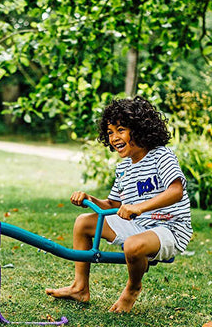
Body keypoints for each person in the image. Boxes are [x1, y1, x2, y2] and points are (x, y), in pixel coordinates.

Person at [46, 96, 192, 312]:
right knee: (83, 222)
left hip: (169, 228)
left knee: (133, 245)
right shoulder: (123, 168)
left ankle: (132, 288)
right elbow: (112, 204)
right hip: (138, 225)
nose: (114, 137)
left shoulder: (162, 155)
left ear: (140, 129)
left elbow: (176, 191)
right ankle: (79, 287)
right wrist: (90, 200)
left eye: (120, 130)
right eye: (110, 132)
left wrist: (139, 207)